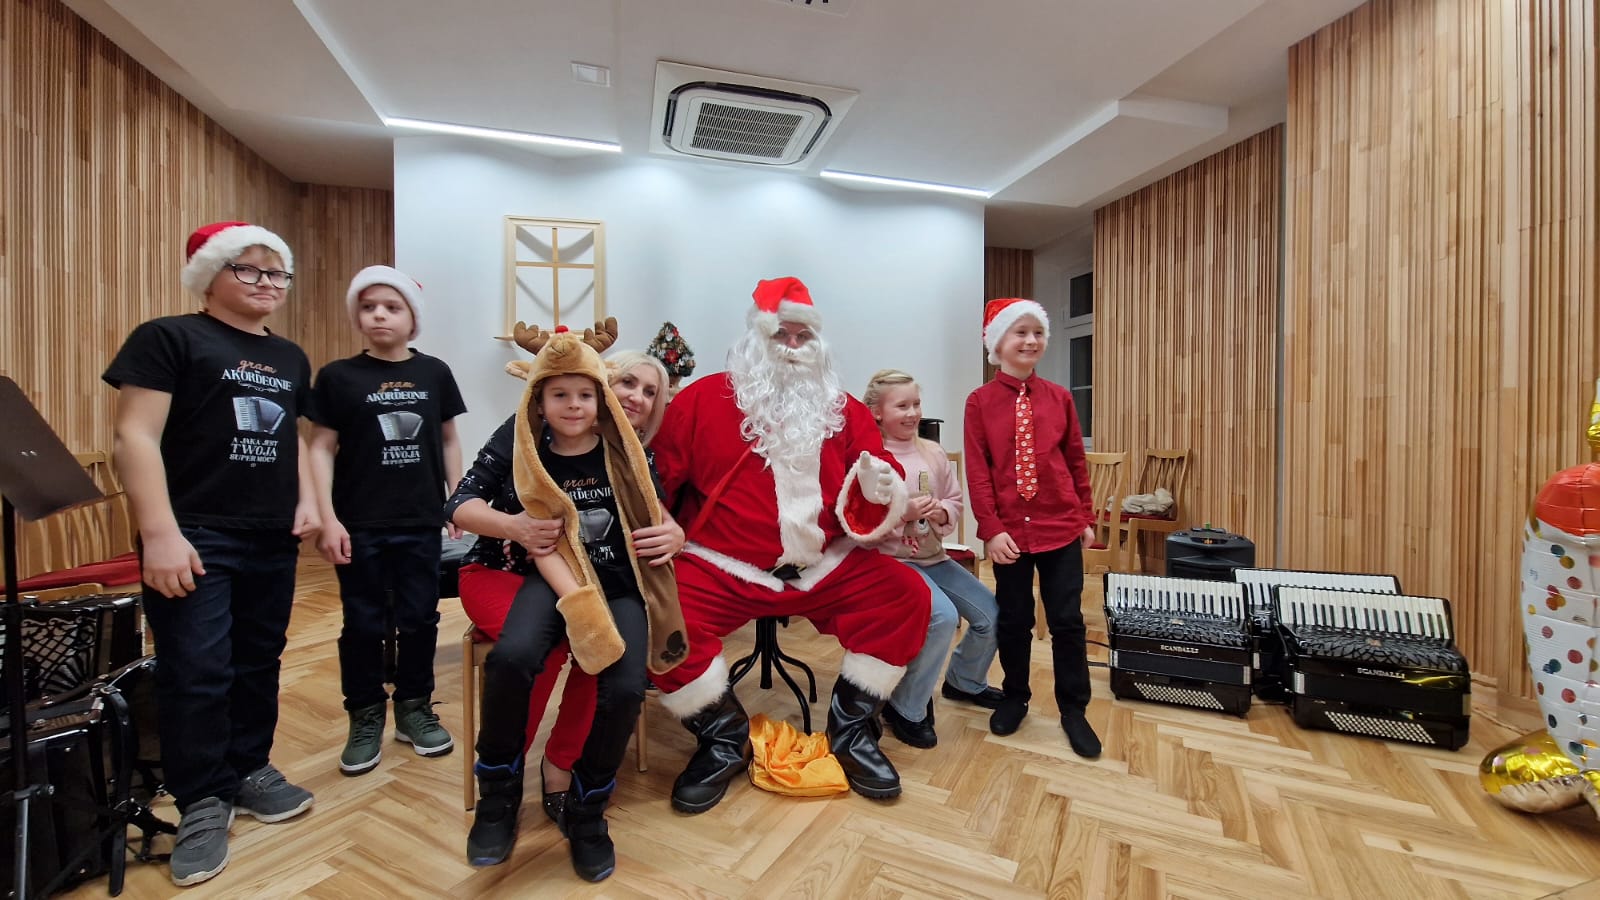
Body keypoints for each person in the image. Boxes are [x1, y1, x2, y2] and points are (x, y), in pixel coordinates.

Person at [648, 276, 932, 810]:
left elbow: (877, 475)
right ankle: (724, 738)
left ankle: (851, 733)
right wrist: (665, 523)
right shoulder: (703, 400)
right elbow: (656, 483)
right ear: (756, 339)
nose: (794, 346)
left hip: (825, 566)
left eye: (805, 336)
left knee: (905, 596)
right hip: (724, 566)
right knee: (655, 615)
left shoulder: (843, 410)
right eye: (782, 335)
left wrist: (881, 486)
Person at [104, 221, 319, 887]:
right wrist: (159, 532)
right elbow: (134, 437)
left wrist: (307, 501)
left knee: (259, 659)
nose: (266, 283)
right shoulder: (168, 338)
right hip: (195, 532)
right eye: (247, 269)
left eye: (276, 273)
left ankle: (249, 766)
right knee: (196, 667)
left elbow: (294, 438)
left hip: (271, 536)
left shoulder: (290, 357)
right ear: (209, 275)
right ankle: (201, 796)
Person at [451, 328, 684, 882]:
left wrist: (675, 532)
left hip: (616, 584)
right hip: (523, 573)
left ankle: (585, 805)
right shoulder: (528, 442)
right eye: (627, 383)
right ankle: (499, 793)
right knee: (518, 658)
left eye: (649, 391)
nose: (634, 397)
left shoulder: (629, 451)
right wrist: (517, 529)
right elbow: (465, 505)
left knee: (624, 684)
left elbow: (653, 510)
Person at [307, 266, 465, 777]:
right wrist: (327, 517)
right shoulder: (338, 377)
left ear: (412, 318)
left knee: (419, 617)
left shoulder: (434, 372)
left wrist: (456, 500)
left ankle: (415, 708)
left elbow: (448, 439)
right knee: (362, 622)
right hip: (359, 524)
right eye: (369, 306)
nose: (379, 315)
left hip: (420, 522)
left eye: (392, 307)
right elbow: (320, 448)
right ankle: (365, 713)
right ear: (356, 315)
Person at [963, 297, 1102, 758]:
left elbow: (1075, 461)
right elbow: (979, 471)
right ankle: (1015, 696)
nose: (1030, 340)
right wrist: (990, 528)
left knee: (1067, 620)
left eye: (1037, 332)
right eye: (1020, 332)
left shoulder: (1060, 398)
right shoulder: (979, 402)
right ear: (997, 343)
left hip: (1059, 526)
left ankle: (1074, 710)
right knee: (1015, 619)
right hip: (1010, 533)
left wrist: (1084, 517)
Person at [861, 369, 1003, 748]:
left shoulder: (933, 453)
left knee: (992, 614)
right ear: (876, 412)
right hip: (890, 562)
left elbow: (954, 500)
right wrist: (902, 514)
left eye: (916, 404)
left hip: (932, 557)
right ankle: (905, 708)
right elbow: (858, 521)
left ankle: (964, 681)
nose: (912, 413)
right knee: (941, 616)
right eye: (902, 406)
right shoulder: (869, 461)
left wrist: (942, 512)